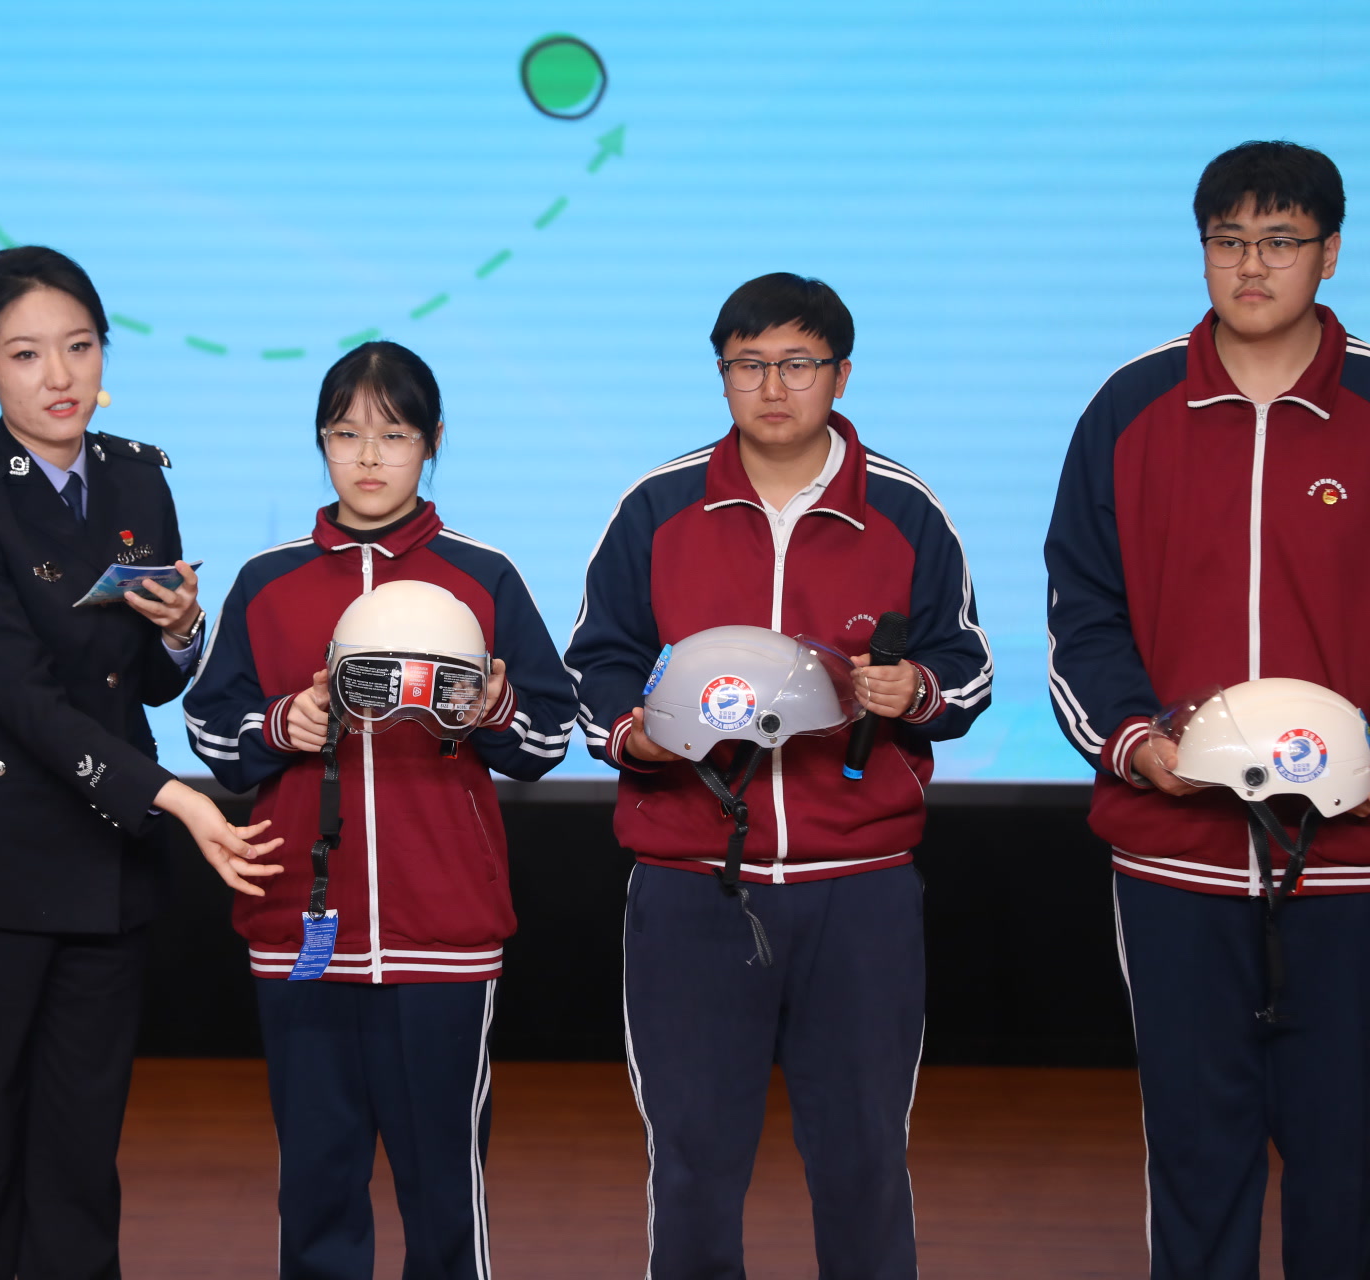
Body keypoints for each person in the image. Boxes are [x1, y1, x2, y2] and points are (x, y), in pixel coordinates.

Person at [564, 274, 992, 1278]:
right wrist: (635, 735)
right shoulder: (658, 507)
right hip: (691, 886)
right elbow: (597, 664)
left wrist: (914, 690)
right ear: (720, 375)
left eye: (797, 364)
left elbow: (967, 669)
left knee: (863, 1163)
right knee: (693, 1169)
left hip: (859, 888)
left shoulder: (904, 510)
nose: (771, 386)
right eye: (747, 364)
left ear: (841, 374)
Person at [0, 244, 283, 1280]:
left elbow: (143, 681)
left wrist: (180, 632)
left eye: (79, 346)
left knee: (80, 1159)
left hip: (106, 866)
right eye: (26, 354)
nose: (58, 375)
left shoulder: (136, 478)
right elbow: (21, 700)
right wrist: (174, 798)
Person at [183, 341, 580, 1280]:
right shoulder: (268, 579)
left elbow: (547, 740)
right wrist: (285, 722)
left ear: (433, 442)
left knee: (444, 1194)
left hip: (444, 931)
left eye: (395, 435)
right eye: (346, 433)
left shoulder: (482, 576)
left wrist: (492, 710)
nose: (368, 456)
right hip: (301, 931)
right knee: (317, 1188)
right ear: (320, 442)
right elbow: (211, 730)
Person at [1045, 140, 1370, 1278]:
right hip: (1177, 856)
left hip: (1354, 866)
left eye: (1281, 241)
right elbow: (1081, 610)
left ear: (1331, 253)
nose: (1252, 265)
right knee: (1196, 1155)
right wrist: (1136, 742)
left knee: (1350, 1161)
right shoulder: (1131, 407)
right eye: (1229, 241)